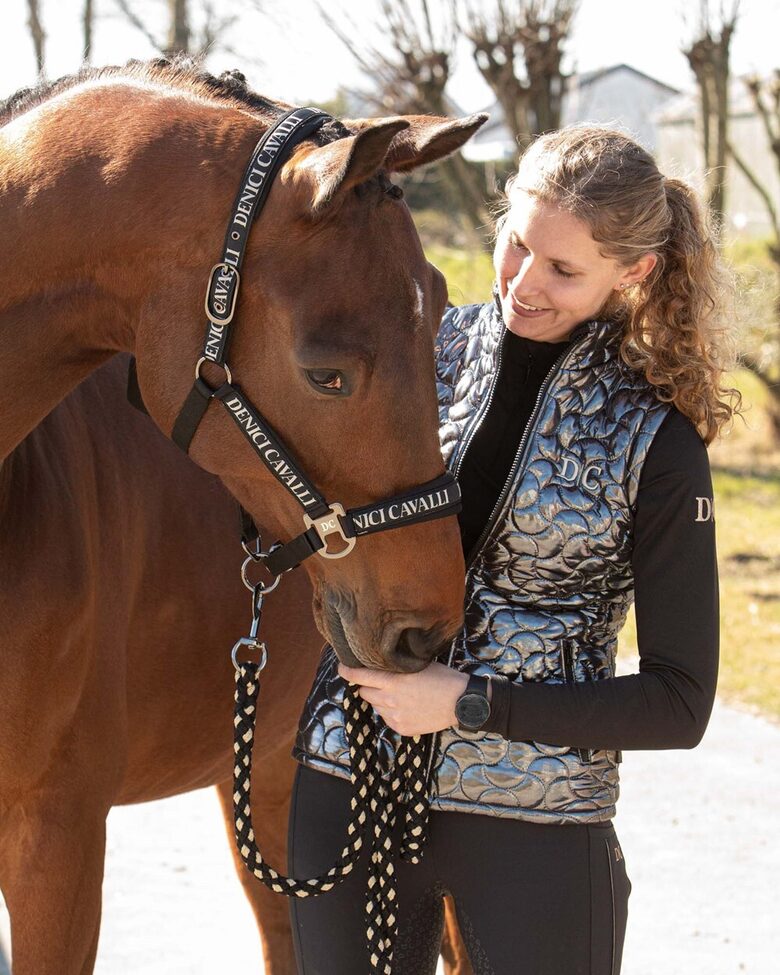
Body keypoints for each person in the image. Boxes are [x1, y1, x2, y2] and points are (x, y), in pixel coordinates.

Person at [286, 125, 739, 974]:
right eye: (517, 243)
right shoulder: (410, 356)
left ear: (633, 272)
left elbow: (681, 702)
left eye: (564, 270)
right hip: (347, 784)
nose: (524, 283)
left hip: (539, 824)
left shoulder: (658, 442)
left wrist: (469, 702)